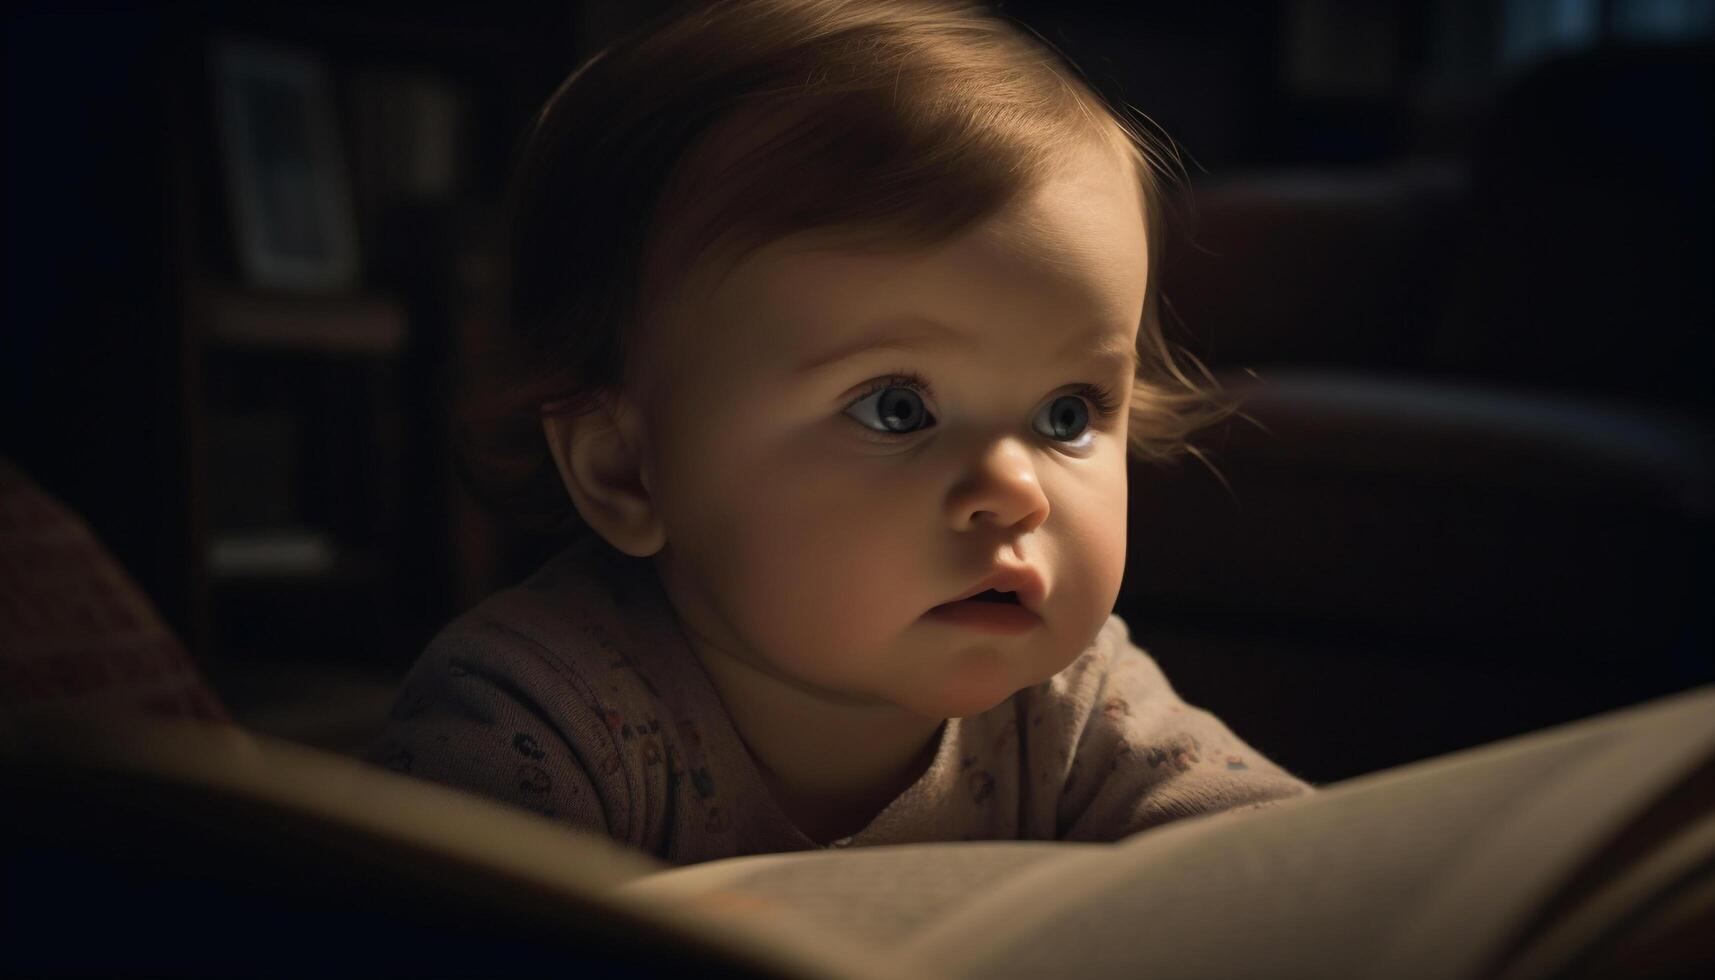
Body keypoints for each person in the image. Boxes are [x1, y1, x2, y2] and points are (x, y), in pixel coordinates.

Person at [367, 0, 1313, 863]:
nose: (1016, 489)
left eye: (1066, 415)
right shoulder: (534, 719)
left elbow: (1298, 873)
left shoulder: (1072, 701)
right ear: (627, 470)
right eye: (895, 409)